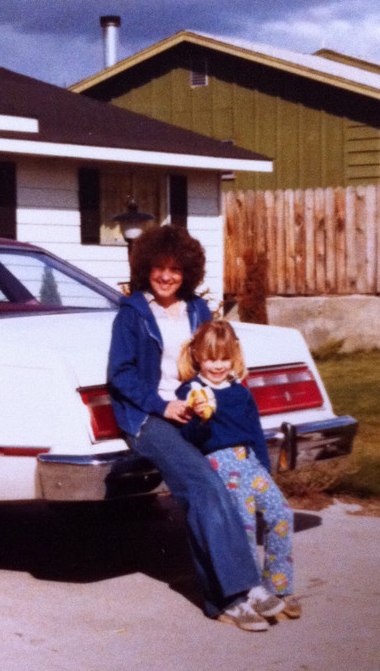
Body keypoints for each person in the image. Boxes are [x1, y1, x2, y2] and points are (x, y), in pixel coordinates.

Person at [108, 224, 285, 631]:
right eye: (158, 267)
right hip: (149, 418)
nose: (166, 276)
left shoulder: (198, 310)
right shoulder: (133, 314)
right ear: (145, 268)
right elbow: (122, 375)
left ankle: (228, 595)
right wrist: (162, 405)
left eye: (175, 269)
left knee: (221, 486)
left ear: (187, 271)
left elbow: (215, 356)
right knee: (203, 485)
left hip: (197, 411)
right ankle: (238, 593)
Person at [176, 319, 301, 620]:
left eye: (223, 358)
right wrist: (200, 419)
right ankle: (250, 590)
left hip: (249, 462)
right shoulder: (191, 392)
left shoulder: (240, 392)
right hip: (219, 463)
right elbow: (186, 439)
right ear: (197, 357)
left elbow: (255, 432)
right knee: (242, 526)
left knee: (281, 513)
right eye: (210, 358)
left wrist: (265, 467)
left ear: (233, 356)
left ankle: (278, 585)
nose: (217, 365)